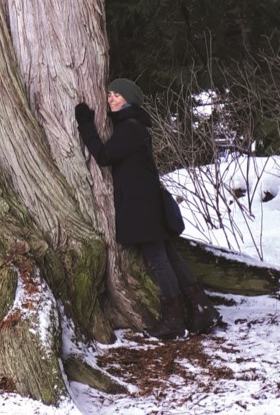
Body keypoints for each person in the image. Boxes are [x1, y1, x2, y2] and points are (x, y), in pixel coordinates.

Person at [75, 77, 220, 339]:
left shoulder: (130, 127)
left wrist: (85, 124)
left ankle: (174, 320)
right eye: (109, 94)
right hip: (147, 201)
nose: (111, 98)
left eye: (117, 95)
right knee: (169, 256)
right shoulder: (132, 125)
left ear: (130, 99)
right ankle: (202, 309)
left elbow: (105, 156)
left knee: (158, 260)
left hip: (142, 204)